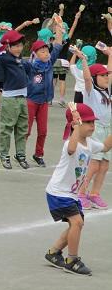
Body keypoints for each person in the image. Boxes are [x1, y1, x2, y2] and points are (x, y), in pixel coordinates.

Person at [44, 103, 112, 276]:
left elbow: (105, 147)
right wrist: (74, 126)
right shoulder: (70, 143)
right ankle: (72, 260)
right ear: (76, 124)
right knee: (77, 222)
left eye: (93, 122)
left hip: (70, 194)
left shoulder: (89, 143)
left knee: (76, 224)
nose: (92, 126)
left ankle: (54, 253)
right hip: (59, 192)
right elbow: (72, 149)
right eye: (88, 122)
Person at [0, 29, 30, 169]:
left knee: (22, 128)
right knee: (7, 128)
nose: (19, 48)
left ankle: (20, 154)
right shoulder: (5, 58)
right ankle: (4, 155)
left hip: (22, 98)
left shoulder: (19, 59)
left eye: (20, 45)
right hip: (10, 99)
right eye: (16, 46)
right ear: (8, 46)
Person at [76, 47, 111, 210]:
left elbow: (110, 70)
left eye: (107, 75)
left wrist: (110, 55)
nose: (106, 77)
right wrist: (83, 60)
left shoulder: (107, 91)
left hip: (107, 129)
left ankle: (94, 194)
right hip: (95, 129)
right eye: (103, 75)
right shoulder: (90, 91)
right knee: (94, 164)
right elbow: (87, 78)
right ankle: (81, 193)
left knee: (104, 164)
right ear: (95, 77)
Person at [0, 14, 38, 112]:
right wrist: (26, 24)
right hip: (1, 63)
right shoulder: (7, 38)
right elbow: (16, 30)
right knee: (1, 85)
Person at [26, 26, 64, 167]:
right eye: (42, 51)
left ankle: (38, 154)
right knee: (27, 130)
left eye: (47, 50)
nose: (47, 53)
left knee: (43, 131)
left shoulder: (49, 62)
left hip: (44, 102)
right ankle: (21, 153)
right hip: (31, 101)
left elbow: (58, 46)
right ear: (35, 54)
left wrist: (59, 29)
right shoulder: (30, 66)